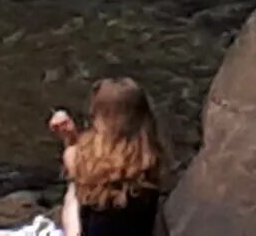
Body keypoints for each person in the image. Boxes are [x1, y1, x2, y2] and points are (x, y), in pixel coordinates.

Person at [48, 78, 168, 236]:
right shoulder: (151, 160)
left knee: (73, 193)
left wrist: (69, 137)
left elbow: (75, 162)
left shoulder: (82, 159)